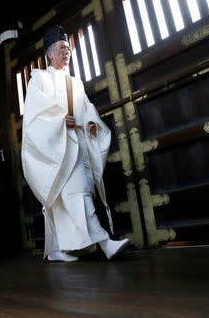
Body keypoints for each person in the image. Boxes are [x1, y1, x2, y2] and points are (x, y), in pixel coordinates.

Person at [21, 25, 130, 262]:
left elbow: (87, 109)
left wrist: (91, 124)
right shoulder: (39, 79)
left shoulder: (75, 82)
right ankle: (105, 243)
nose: (66, 52)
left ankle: (57, 250)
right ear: (50, 53)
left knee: (74, 195)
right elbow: (35, 116)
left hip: (77, 144)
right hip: (56, 147)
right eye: (61, 48)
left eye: (69, 49)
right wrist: (60, 121)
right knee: (74, 194)